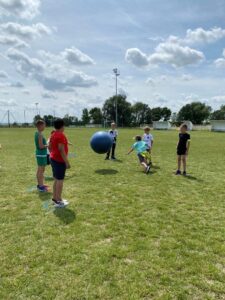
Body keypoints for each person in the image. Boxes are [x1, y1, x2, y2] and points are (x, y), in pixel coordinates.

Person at [49, 119, 70, 208]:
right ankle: (58, 200)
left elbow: (50, 147)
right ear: (62, 126)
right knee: (60, 181)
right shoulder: (60, 135)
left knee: (56, 180)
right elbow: (61, 149)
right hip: (59, 161)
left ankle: (56, 198)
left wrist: (53, 154)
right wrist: (67, 162)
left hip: (53, 159)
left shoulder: (53, 134)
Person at [34, 120, 48, 192]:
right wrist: (48, 145)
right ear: (40, 126)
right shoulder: (40, 134)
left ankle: (40, 184)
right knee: (40, 170)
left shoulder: (38, 133)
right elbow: (41, 146)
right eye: (44, 125)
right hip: (41, 154)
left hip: (41, 154)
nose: (45, 126)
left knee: (41, 170)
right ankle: (40, 186)